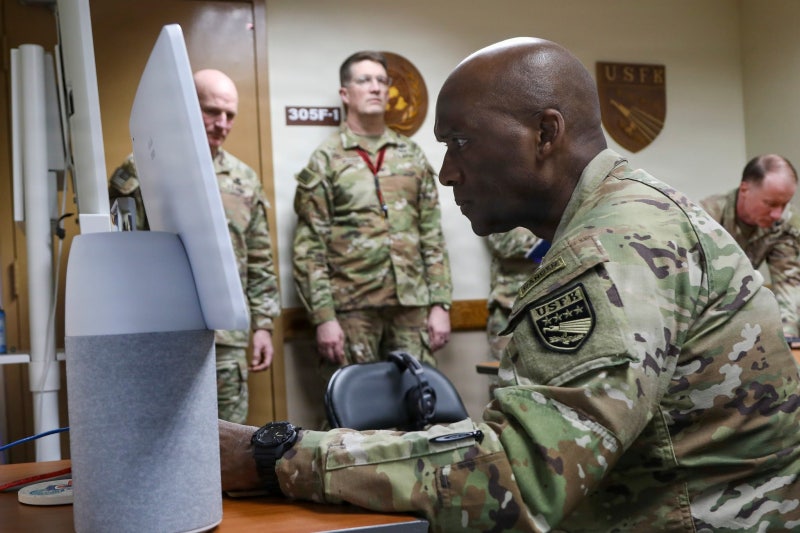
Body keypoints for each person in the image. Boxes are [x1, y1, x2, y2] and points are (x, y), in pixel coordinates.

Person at [220, 38, 800, 531]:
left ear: (546, 133)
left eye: (460, 142)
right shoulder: (630, 208)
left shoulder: (613, 250)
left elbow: (518, 477)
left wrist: (275, 455)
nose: (447, 172)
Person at [108, 69, 280, 424]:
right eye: (211, 111)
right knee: (162, 436)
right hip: (160, 335)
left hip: (226, 340)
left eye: (229, 114)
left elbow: (260, 259)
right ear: (186, 106)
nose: (222, 123)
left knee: (228, 442)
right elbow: (119, 259)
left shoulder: (243, 179)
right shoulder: (141, 170)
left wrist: (263, 325)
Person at [291, 51, 452, 382]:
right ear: (345, 93)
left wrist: (440, 305)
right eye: (365, 80)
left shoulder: (411, 155)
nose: (376, 88)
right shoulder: (326, 159)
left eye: (382, 80)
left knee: (420, 406)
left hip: (411, 308)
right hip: (352, 311)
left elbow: (432, 235)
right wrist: (324, 318)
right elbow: (310, 248)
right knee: (359, 419)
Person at [700, 154, 800, 338]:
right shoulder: (706, 218)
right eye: (770, 204)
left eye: (784, 204)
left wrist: (788, 337)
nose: (777, 214)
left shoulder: (783, 224)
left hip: (743, 309)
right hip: (703, 316)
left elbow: (788, 283)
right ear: (745, 189)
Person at [485, 228, 543, 359]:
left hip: (553, 301)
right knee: (506, 372)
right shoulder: (501, 208)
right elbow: (506, 243)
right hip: (510, 307)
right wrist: (558, 238)